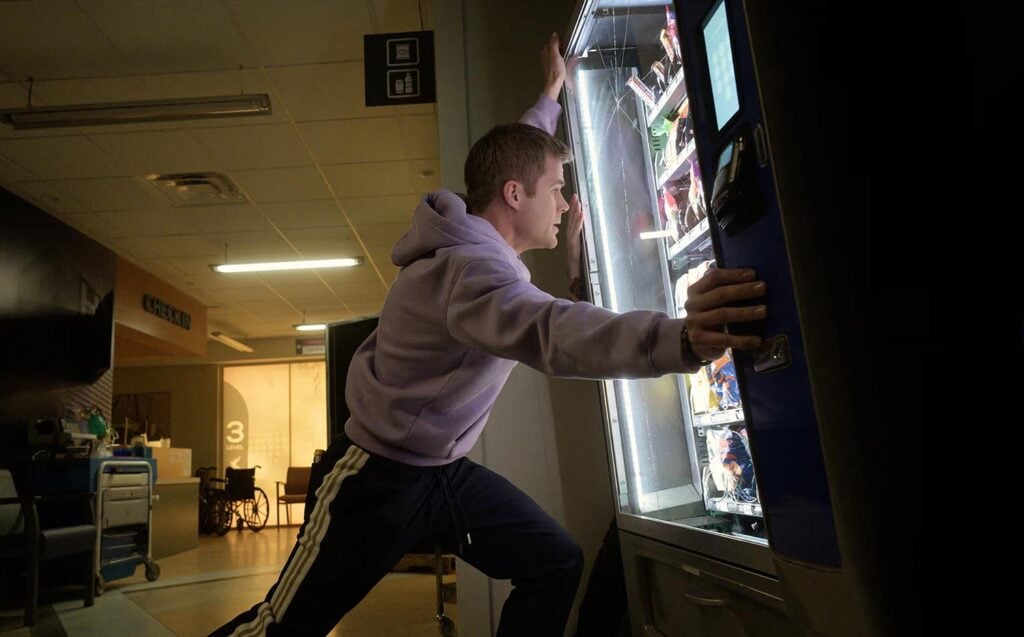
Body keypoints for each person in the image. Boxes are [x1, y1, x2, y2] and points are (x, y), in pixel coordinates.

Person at [212, 32, 766, 637]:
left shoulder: (475, 232)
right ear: (514, 196)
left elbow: (516, 156)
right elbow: (552, 331)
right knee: (277, 629)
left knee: (555, 562)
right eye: (555, 190)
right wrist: (680, 339)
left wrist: (550, 95)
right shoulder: (472, 271)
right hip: (376, 479)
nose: (564, 204)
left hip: (442, 472)